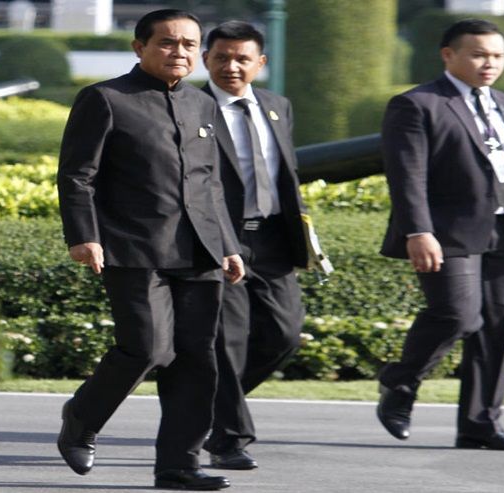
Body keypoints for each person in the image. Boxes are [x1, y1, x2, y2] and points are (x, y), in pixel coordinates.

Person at [55, 9, 244, 491]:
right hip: (133, 247)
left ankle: (179, 465)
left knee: (196, 358)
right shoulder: (105, 99)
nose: (179, 52)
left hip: (199, 252)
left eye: (188, 44)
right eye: (167, 42)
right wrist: (83, 235)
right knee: (148, 348)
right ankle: (81, 417)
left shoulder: (203, 105)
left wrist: (228, 245)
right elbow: (77, 176)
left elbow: (210, 183)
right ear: (139, 47)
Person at [376, 19, 504, 452]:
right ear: (449, 55)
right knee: (458, 314)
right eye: (479, 55)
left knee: (497, 328)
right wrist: (418, 230)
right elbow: (407, 176)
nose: (489, 64)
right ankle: (400, 382)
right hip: (448, 232)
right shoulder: (417, 104)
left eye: (497, 56)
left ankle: (481, 424)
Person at [200, 20, 309, 470]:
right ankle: (229, 439)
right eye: (221, 57)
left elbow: (286, 175)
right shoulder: (191, 107)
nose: (231, 66)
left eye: (242, 58)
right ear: (206, 60)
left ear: (260, 63)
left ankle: (204, 403)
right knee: (229, 340)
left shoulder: (277, 106)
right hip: (218, 239)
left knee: (285, 334)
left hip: (272, 238)